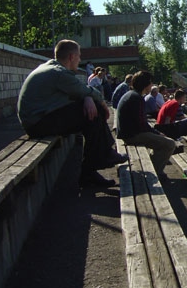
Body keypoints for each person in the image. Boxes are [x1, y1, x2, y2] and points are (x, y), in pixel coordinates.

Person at [17, 39, 126, 187]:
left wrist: (87, 97)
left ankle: (101, 158)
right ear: (71, 57)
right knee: (94, 112)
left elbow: (81, 91)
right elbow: (88, 91)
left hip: (38, 119)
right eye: (79, 56)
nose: (80, 60)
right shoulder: (58, 73)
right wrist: (95, 101)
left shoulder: (52, 69)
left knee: (91, 111)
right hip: (38, 123)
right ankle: (95, 164)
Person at [116, 71, 177, 179]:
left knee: (159, 141)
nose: (152, 85)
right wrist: (158, 133)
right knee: (170, 144)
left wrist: (156, 133)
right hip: (132, 135)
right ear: (146, 85)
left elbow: (141, 123)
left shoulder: (132, 95)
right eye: (150, 83)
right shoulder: (137, 99)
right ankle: (156, 172)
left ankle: (153, 167)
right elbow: (142, 125)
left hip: (128, 132)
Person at [154, 89, 187, 154]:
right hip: (165, 128)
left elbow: (178, 117)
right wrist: (166, 136)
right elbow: (167, 119)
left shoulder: (170, 102)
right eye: (185, 97)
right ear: (181, 97)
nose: (185, 99)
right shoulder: (175, 104)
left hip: (162, 127)